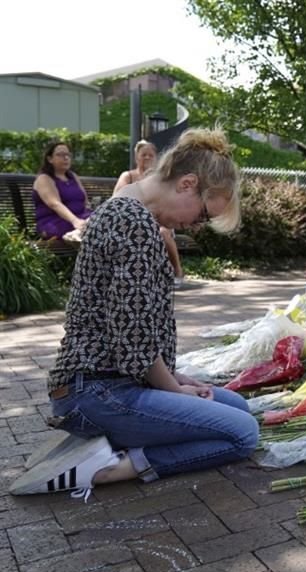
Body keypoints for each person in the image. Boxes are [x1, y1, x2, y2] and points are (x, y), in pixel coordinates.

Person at [12, 128, 257, 498]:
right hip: (96, 390)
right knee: (242, 434)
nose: (196, 225)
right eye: (204, 215)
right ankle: (105, 468)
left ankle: (104, 442)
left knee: (237, 406)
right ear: (188, 184)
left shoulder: (127, 209)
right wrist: (175, 389)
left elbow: (131, 326)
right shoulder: (135, 223)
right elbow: (134, 343)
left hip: (106, 381)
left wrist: (178, 379)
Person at [114, 140, 184, 280]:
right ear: (136, 157)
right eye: (143, 155)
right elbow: (117, 198)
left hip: (160, 222)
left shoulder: (161, 179)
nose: (147, 158)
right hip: (131, 222)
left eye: (150, 155)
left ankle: (177, 271)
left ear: (156, 158)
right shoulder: (128, 176)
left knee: (163, 232)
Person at [31, 142, 93, 239]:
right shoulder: (44, 179)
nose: (66, 158)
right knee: (94, 229)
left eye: (68, 155)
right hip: (54, 222)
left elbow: (85, 201)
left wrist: (90, 216)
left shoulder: (73, 176)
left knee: (105, 221)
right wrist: (75, 221)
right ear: (49, 159)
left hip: (81, 218)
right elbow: (55, 204)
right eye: (60, 154)